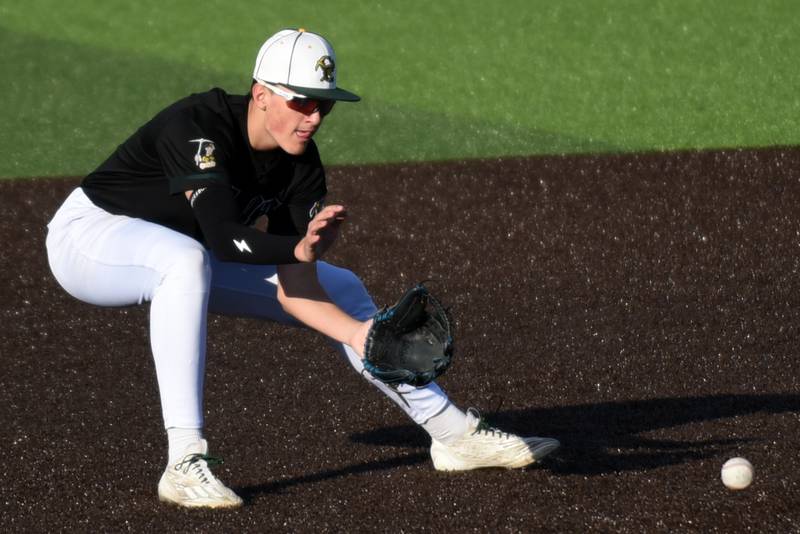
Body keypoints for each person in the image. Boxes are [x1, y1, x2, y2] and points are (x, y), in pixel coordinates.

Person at [45, 28, 560, 509]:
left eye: (323, 106)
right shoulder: (198, 126)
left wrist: (360, 334)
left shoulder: (301, 164)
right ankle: (184, 459)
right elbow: (225, 237)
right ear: (261, 93)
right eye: (301, 101)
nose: (313, 117)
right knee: (186, 259)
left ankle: (453, 435)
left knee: (342, 286)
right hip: (90, 241)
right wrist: (294, 248)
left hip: (187, 255)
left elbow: (298, 288)